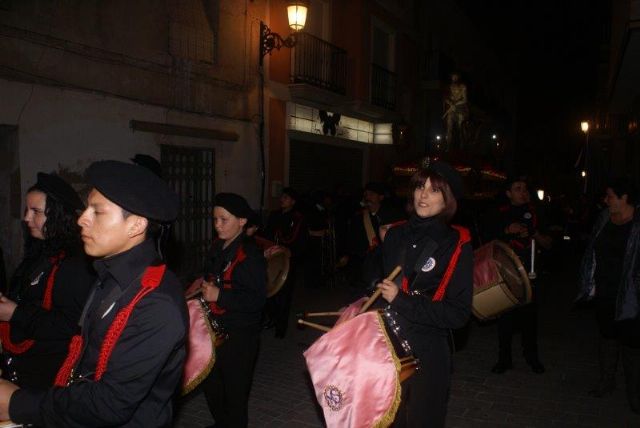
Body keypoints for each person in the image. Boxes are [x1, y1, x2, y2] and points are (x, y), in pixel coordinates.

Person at [0, 160, 188, 426]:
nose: (81, 219)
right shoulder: (108, 273)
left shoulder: (156, 301)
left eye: (97, 212)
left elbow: (110, 404)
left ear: (135, 226)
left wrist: (18, 404)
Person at [376, 160, 473, 427]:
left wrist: (401, 300)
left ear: (448, 199)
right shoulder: (394, 234)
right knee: (387, 420)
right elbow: (377, 284)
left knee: (423, 420)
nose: (423, 195)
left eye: (434, 190)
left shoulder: (456, 243)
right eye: (420, 186)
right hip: (387, 344)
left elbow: (458, 313)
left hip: (428, 348)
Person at [0, 173, 94, 388]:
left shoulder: (75, 263)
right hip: (25, 366)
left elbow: (71, 326)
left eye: (36, 212)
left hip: (48, 375)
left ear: (58, 215)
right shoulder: (40, 252)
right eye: (27, 210)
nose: (26, 218)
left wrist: (14, 313)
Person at [200, 192, 267, 428]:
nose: (217, 225)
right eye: (215, 219)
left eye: (223, 219)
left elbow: (257, 300)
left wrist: (220, 295)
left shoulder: (250, 255)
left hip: (240, 334)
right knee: (211, 385)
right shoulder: (218, 246)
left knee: (235, 393)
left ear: (242, 221)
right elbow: (208, 274)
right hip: (215, 329)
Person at [577, 177, 640, 412]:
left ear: (624, 198)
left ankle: (634, 393)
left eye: (610, 196)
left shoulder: (637, 223)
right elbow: (592, 249)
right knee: (607, 337)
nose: (606, 200)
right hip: (604, 289)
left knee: (632, 344)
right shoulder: (604, 218)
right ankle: (607, 382)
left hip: (631, 293)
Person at [485, 176, 551, 374]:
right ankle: (504, 359)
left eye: (524, 188)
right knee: (505, 318)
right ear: (508, 193)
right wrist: (507, 230)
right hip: (505, 274)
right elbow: (487, 240)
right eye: (517, 188)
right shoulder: (500, 213)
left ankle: (532, 357)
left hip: (530, 274)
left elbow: (549, 243)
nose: (523, 192)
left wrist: (534, 234)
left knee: (530, 319)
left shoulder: (537, 213)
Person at [264, 187, 308, 338]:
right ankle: (272, 319)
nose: (282, 199)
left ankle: (280, 328)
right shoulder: (274, 215)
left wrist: (291, 252)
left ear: (293, 202)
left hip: (288, 261)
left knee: (284, 295)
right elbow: (268, 234)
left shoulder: (297, 218)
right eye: (282, 197)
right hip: (272, 258)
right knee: (268, 292)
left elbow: (299, 241)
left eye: (286, 197)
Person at [443, 72, 469, 148]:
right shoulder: (450, 87)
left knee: (461, 125)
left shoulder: (463, 87)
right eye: (453, 77)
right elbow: (446, 98)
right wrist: (450, 103)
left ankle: (463, 144)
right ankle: (448, 145)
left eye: (455, 76)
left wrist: (455, 104)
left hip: (461, 108)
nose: (454, 78)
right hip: (452, 109)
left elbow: (464, 99)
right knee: (449, 124)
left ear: (458, 77)